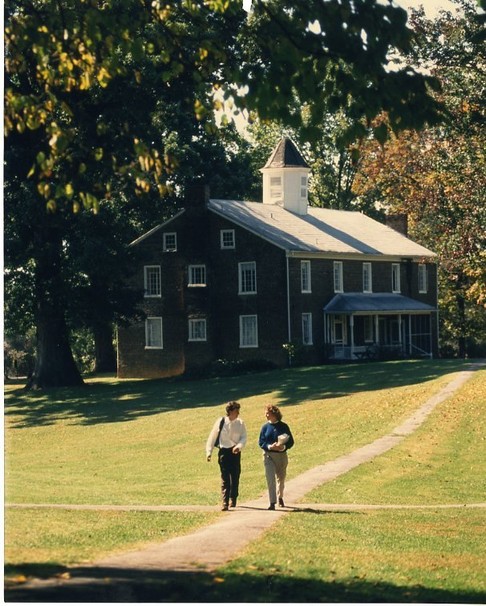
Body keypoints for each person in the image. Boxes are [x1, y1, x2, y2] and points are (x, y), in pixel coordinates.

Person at [206, 401, 247, 511]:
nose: (238, 413)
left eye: (238, 410)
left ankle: (233, 498)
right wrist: (209, 452)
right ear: (230, 411)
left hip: (235, 452)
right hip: (223, 452)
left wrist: (239, 446)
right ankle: (225, 502)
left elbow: (244, 437)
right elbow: (213, 436)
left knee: (235, 475)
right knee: (225, 477)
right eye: (236, 410)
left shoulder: (240, 423)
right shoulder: (221, 421)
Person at [259, 404, 294, 510]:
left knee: (281, 479)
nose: (266, 415)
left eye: (268, 413)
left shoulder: (283, 426)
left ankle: (280, 497)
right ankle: (272, 502)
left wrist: (282, 447)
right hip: (268, 455)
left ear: (274, 414)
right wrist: (270, 446)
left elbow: (291, 442)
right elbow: (261, 442)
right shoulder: (265, 427)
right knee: (270, 479)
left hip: (281, 456)